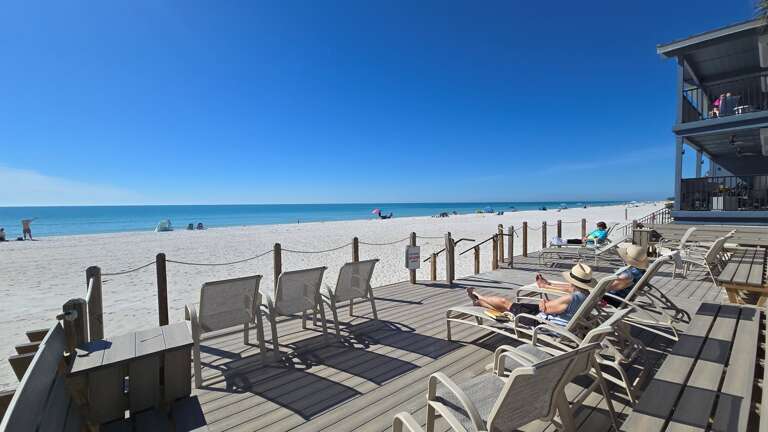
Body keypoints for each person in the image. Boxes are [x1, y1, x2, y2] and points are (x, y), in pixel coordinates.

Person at [466, 263, 596, 324]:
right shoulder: (588, 294)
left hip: (541, 323)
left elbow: (543, 308)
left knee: (505, 303)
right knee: (511, 306)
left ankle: (479, 298)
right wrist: (547, 287)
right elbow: (568, 289)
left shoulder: (570, 298)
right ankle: (479, 301)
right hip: (558, 319)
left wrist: (543, 302)